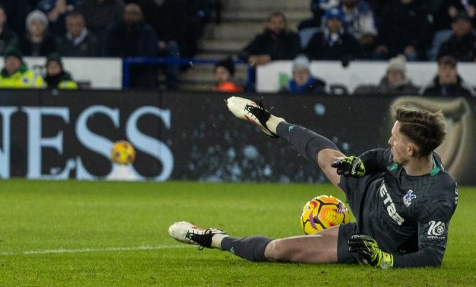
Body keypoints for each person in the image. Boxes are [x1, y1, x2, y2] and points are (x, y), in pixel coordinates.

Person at [170, 97, 457, 269]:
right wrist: (359, 165)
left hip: (366, 239)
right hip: (367, 191)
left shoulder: (438, 194)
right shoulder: (401, 156)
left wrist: (384, 260)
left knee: (279, 251)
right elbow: (379, 158)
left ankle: (213, 238)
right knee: (328, 157)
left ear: (411, 150)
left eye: (396, 138)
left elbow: (431, 256)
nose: (389, 141)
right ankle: (272, 122)